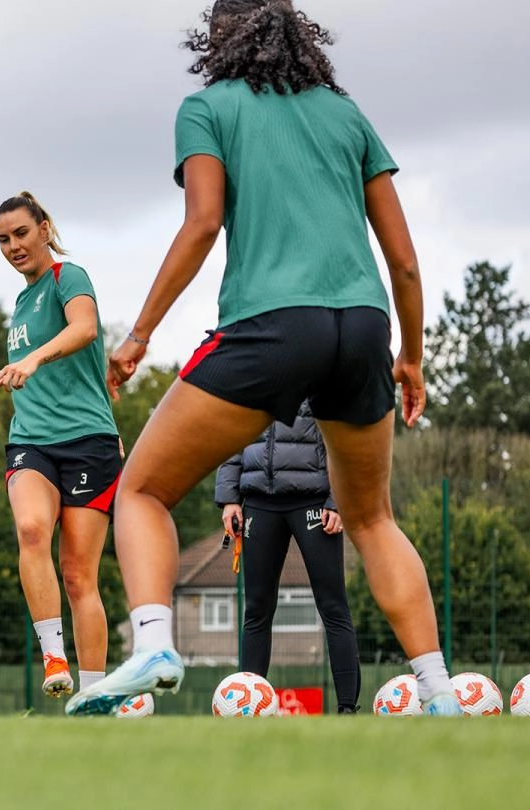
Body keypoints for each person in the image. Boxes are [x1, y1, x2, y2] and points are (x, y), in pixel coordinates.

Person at [67, 0, 458, 716]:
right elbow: (402, 261)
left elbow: (203, 223)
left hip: (272, 327)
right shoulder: (346, 115)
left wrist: (139, 335)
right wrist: (412, 356)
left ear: (217, 35)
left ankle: (154, 642)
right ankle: (441, 691)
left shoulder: (206, 107)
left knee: (143, 491)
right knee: (372, 519)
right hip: (365, 326)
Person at [0, 192, 122, 699]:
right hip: (31, 442)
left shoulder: (71, 277)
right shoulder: (21, 303)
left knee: (78, 577)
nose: (13, 246)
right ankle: (53, 657)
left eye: (21, 233)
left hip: (88, 442)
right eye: (3, 239)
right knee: (29, 529)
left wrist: (34, 360)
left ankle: (95, 696)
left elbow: (85, 329)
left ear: (44, 229)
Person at [214, 399, 361, 714]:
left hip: (313, 501)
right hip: (258, 503)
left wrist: (338, 500)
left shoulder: (321, 365)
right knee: (256, 609)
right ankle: (247, 707)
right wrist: (229, 498)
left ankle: (348, 708)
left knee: (333, 605)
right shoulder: (252, 371)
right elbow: (232, 434)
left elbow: (345, 437)